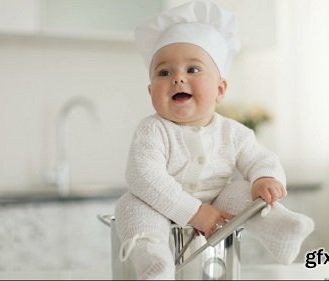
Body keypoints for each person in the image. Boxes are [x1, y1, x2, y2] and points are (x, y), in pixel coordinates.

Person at [114, 1, 314, 279]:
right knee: (131, 206)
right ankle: (154, 262)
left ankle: (281, 228)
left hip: (217, 204)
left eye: (193, 70)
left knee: (241, 192)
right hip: (157, 206)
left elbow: (261, 159)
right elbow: (143, 175)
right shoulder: (153, 129)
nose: (177, 79)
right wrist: (194, 212)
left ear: (220, 89)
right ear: (151, 91)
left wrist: (265, 179)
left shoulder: (233, 132)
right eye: (164, 72)